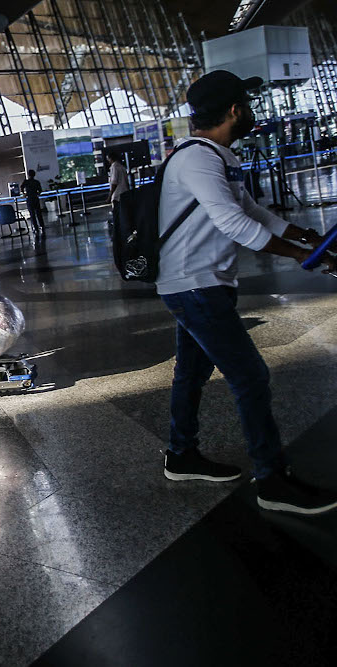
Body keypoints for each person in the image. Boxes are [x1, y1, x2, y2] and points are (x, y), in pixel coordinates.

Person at [158, 70, 337, 515]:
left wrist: (307, 239)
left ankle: (181, 454)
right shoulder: (197, 158)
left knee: (192, 373)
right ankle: (272, 479)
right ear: (235, 110)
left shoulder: (218, 156)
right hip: (194, 285)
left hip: (203, 283)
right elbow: (235, 225)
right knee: (250, 376)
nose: (253, 111)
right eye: (248, 104)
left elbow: (251, 209)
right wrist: (296, 256)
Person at [20, 170, 44, 234]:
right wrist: (37, 194)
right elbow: (40, 190)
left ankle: (35, 228)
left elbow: (21, 187)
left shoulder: (26, 182)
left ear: (28, 175)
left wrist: (24, 193)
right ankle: (42, 226)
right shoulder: (36, 182)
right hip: (35, 198)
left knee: (32, 214)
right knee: (38, 213)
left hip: (29, 199)